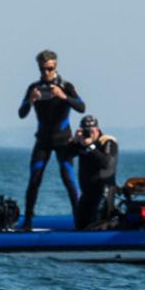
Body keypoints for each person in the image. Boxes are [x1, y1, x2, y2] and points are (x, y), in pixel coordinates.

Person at [18, 49, 86, 230]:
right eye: (42, 69)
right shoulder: (34, 88)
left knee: (68, 179)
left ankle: (81, 221)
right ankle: (28, 222)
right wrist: (30, 101)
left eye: (49, 69)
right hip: (43, 141)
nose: (46, 73)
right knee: (34, 179)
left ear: (55, 66)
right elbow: (21, 114)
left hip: (64, 141)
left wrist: (63, 96)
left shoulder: (66, 86)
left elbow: (81, 107)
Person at [67, 115, 118, 229]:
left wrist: (90, 146)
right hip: (87, 193)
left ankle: (112, 224)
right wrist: (74, 142)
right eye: (85, 129)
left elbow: (107, 163)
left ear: (98, 129)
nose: (89, 133)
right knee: (79, 226)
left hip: (104, 193)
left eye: (92, 129)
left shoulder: (107, 141)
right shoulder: (81, 142)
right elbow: (66, 156)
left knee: (94, 226)